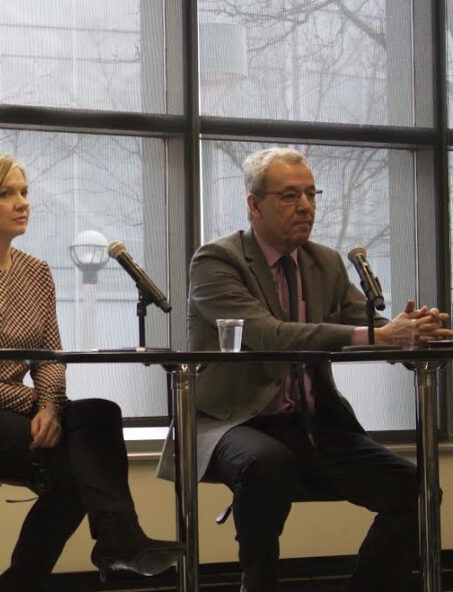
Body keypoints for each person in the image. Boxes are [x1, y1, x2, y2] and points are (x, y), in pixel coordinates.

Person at [157, 147, 450, 592]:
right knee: (268, 463)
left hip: (312, 424)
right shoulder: (217, 261)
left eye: (312, 194)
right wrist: (379, 335)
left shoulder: (324, 262)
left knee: (415, 487)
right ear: (254, 204)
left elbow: (367, 327)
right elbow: (269, 335)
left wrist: (411, 333)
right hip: (230, 420)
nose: (306, 206)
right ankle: (258, 583)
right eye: (290, 195)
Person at [0, 152, 177, 592]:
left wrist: (52, 405)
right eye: (7, 194)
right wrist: (41, 404)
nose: (22, 203)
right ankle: (88, 554)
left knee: (98, 414)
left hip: (7, 413)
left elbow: (50, 356)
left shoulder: (37, 273)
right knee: (75, 461)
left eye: (24, 192)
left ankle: (109, 543)